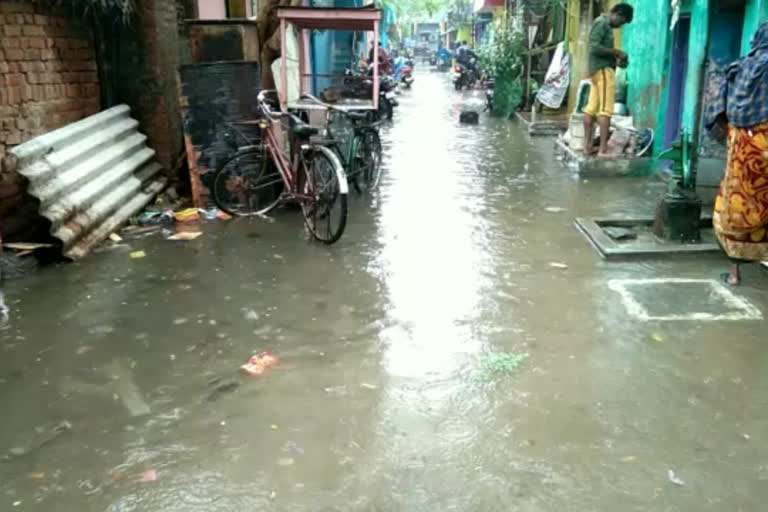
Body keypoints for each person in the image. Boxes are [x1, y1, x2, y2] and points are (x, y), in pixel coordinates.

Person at [705, 20, 768, 286]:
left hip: (744, 145)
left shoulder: (741, 67)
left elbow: (718, 109)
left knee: (737, 203)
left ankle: (734, 275)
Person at [582, 3, 634, 157]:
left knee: (591, 109)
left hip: (598, 70)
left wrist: (616, 58)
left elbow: (598, 49)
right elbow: (594, 47)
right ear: (617, 13)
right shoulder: (602, 23)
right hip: (603, 71)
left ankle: (587, 147)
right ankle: (603, 149)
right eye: (622, 21)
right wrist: (616, 52)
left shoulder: (603, 24)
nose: (621, 25)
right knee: (606, 110)